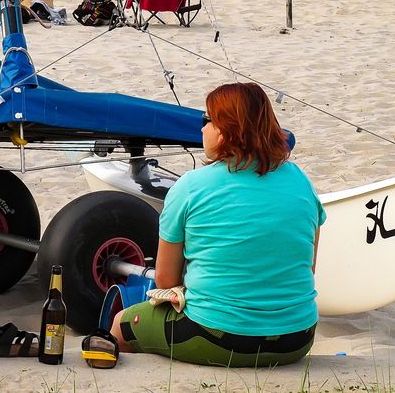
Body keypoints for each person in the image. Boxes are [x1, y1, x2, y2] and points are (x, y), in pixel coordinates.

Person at [110, 83, 325, 368]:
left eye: (207, 120)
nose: (202, 129)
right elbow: (308, 265)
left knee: (121, 324)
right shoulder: (300, 180)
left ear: (227, 130)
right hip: (296, 339)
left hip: (218, 336)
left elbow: (165, 280)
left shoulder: (191, 186)